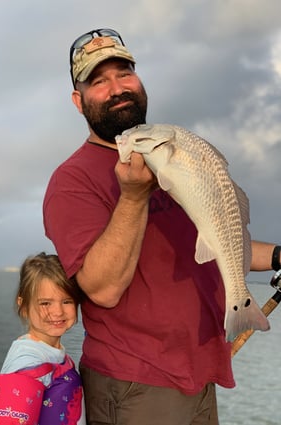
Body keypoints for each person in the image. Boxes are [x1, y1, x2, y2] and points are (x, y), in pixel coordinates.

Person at [43, 28, 281, 425]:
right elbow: (101, 288)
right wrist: (134, 196)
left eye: (125, 73)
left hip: (200, 374)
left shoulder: (172, 162)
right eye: (98, 81)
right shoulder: (72, 181)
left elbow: (217, 238)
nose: (117, 88)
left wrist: (276, 255)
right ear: (78, 102)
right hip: (137, 384)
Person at [0, 252, 86, 425]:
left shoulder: (54, 354)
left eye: (67, 301)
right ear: (24, 306)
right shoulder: (27, 362)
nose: (58, 312)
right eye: (45, 303)